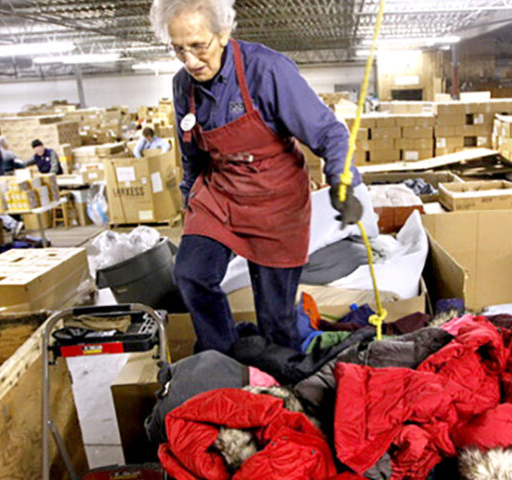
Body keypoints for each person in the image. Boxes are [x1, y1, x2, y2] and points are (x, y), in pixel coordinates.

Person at [150, 0, 363, 354]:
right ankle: (225, 356)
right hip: (219, 195)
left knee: (275, 320)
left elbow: (328, 131)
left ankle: (285, 384)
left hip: (275, 201)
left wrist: (342, 180)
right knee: (190, 275)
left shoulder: (267, 71)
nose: (189, 61)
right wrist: (191, 199)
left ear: (223, 34)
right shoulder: (182, 86)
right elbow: (190, 151)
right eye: (178, 49)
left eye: (198, 46)